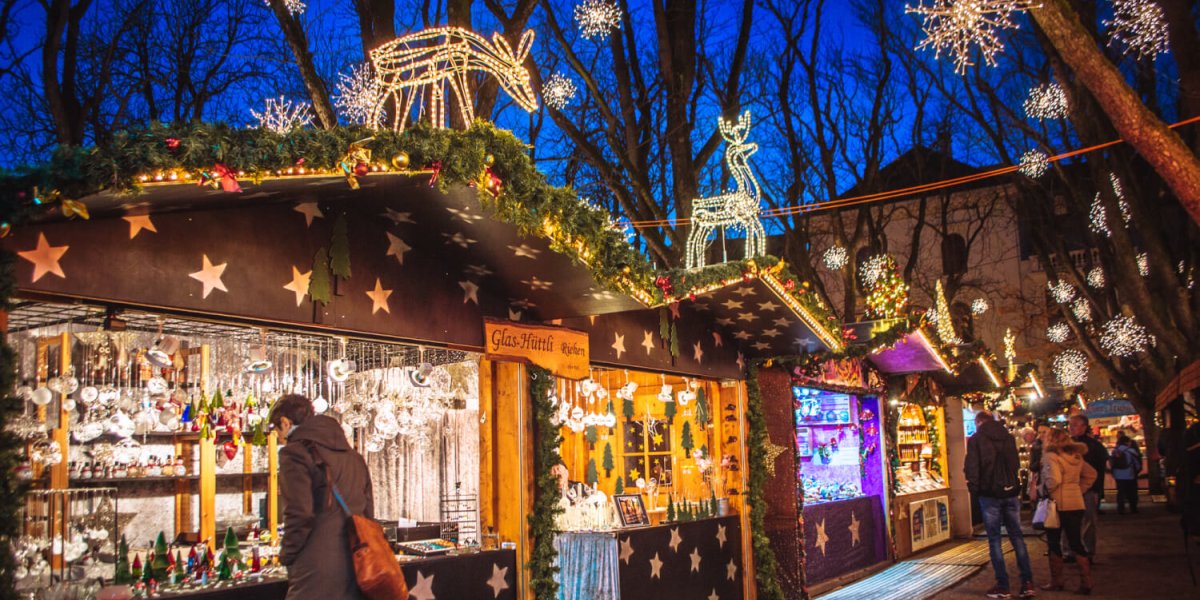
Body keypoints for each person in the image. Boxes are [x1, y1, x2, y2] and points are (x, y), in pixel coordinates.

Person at [271, 394, 374, 600]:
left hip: (316, 567)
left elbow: (299, 513)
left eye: (277, 431)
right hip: (357, 563)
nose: (279, 438)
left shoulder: (294, 454)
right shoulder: (354, 457)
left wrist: (288, 555)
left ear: (285, 422)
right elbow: (368, 511)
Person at [965, 411, 1036, 599]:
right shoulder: (1008, 438)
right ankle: (1027, 582)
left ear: (978, 422)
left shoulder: (976, 440)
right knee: (1017, 536)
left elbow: (972, 467)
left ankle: (1003, 585)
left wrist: (975, 489)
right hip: (1010, 492)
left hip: (989, 494)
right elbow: (1014, 464)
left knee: (995, 539)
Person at [1039, 428, 1098, 594]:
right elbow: (1091, 474)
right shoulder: (1076, 456)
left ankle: (1057, 580)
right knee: (1076, 542)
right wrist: (1078, 489)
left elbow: (1054, 480)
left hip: (1057, 504)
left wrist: (1043, 487)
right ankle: (1086, 581)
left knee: (1053, 542)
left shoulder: (1051, 456)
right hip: (1076, 503)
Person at [1069, 414, 1106, 558]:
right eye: (1070, 425)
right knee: (1070, 521)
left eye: (1075, 425)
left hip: (1089, 490)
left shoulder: (1094, 446)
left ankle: (1087, 552)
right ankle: (1072, 551)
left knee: (1088, 520)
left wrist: (1097, 491)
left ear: (1084, 427)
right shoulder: (1066, 445)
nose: (1071, 428)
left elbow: (1098, 470)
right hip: (1071, 489)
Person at [1109, 433, 1142, 514]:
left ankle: (1121, 508)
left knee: (1121, 492)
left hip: (1118, 475)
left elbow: (1111, 463)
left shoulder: (1115, 451)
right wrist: (1137, 470)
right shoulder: (1131, 451)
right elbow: (1136, 463)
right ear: (1127, 442)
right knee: (1132, 492)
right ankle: (1133, 508)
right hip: (1129, 474)